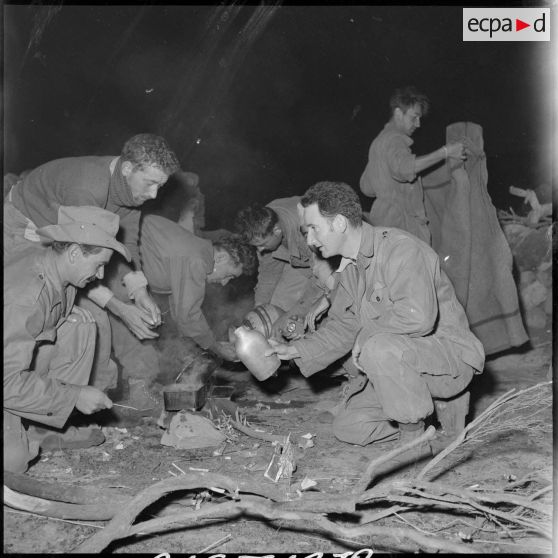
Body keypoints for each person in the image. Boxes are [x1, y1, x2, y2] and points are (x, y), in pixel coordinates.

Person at [267, 181, 485, 464]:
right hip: (402, 364)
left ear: (341, 223)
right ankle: (428, 420)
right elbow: (343, 326)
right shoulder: (350, 268)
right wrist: (294, 351)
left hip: (447, 359)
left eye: (313, 228)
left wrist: (366, 334)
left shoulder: (401, 249)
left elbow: (417, 316)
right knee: (349, 426)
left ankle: (414, 440)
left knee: (376, 346)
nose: (309, 240)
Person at [4, 134, 181, 392]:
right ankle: (44, 404)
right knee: (60, 315)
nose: (154, 194)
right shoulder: (87, 186)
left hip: (73, 240)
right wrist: (119, 308)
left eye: (160, 186)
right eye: (151, 183)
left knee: (106, 309)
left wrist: (138, 290)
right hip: (27, 226)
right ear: (128, 169)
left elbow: (127, 243)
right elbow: (78, 258)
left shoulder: (130, 191)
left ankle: (101, 399)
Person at [4, 206, 130, 473]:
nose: (99, 276)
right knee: (13, 463)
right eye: (99, 265)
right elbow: (5, 382)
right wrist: (72, 396)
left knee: (80, 323)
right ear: (74, 253)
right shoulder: (26, 296)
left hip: (9, 364)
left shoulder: (61, 275)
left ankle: (41, 427)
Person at [108, 210, 258, 406]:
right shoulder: (197, 258)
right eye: (228, 275)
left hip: (120, 270)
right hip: (114, 269)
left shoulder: (195, 250)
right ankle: (136, 397)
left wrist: (188, 347)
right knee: (134, 332)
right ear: (221, 258)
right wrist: (216, 347)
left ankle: (140, 390)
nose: (224, 283)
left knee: (145, 328)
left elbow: (179, 311)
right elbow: (188, 315)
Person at [359, 86, 467, 244]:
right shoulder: (395, 140)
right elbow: (405, 169)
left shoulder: (378, 143)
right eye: (414, 117)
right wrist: (446, 152)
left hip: (381, 224)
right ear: (398, 114)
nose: (418, 124)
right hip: (402, 228)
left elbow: (366, 187)